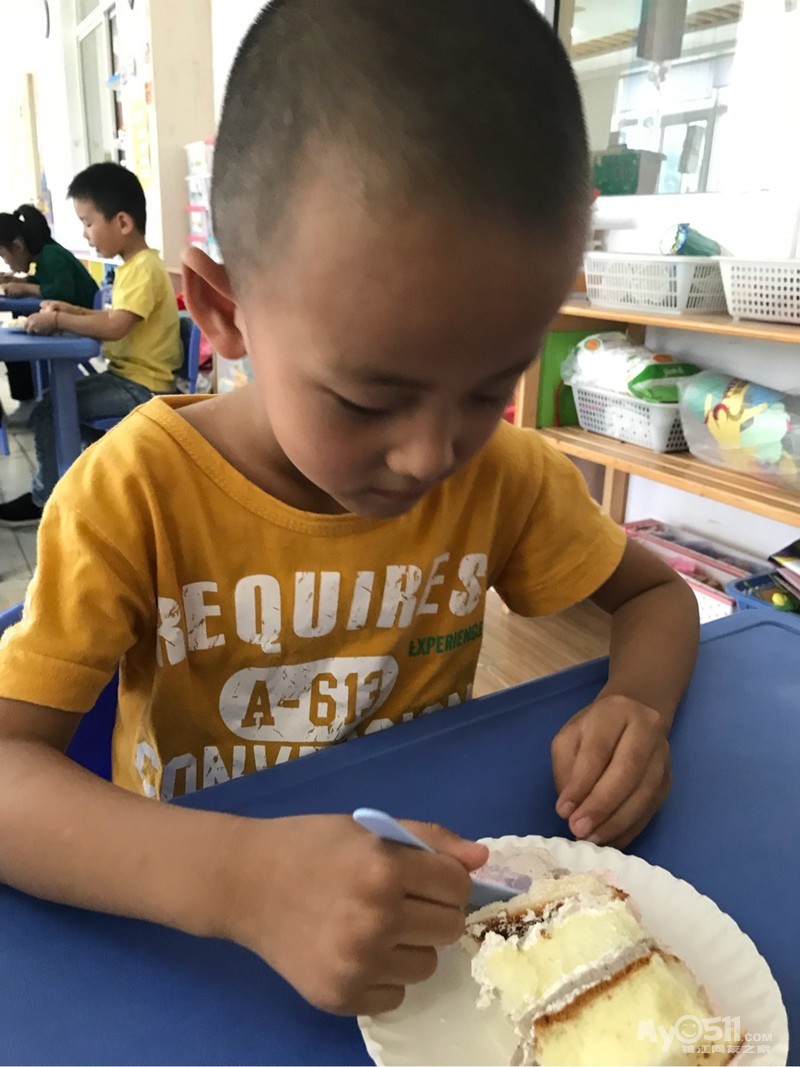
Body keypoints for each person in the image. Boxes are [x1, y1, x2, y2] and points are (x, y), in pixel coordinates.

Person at [0, 0, 699, 1018]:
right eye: (367, 401)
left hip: (433, 930)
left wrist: (636, 704)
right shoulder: (133, 494)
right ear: (224, 312)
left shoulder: (500, 473)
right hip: (196, 943)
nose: (430, 455)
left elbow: (657, 598)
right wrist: (239, 881)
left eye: (488, 389)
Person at [0, 164, 182, 526]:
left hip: (143, 387)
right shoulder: (133, 267)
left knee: (51, 410)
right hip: (129, 378)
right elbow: (113, 317)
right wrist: (72, 309)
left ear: (123, 222)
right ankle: (80, 489)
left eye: (88, 222)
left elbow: (115, 327)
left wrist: (58, 320)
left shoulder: (143, 268)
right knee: (57, 408)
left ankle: (44, 499)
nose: (85, 234)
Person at [0, 204, 99, 425]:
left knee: (24, 330)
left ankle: (29, 400)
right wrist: (19, 280)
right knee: (23, 321)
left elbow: (62, 291)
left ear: (17, 246)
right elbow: (46, 281)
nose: (6, 262)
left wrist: (25, 287)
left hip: (83, 323)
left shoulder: (51, 255)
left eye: (3, 255)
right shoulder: (46, 255)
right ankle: (32, 398)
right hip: (78, 320)